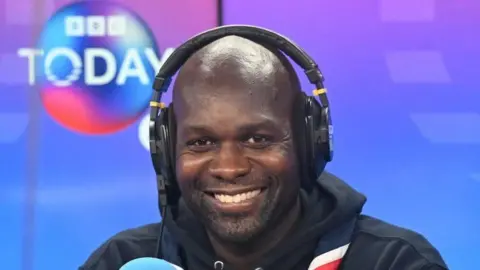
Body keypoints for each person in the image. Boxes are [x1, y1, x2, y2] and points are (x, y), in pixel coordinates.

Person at [80, 29, 448, 270]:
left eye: (257, 139)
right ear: (165, 151)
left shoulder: (394, 262)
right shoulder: (121, 261)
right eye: (201, 142)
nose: (229, 167)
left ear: (309, 142)